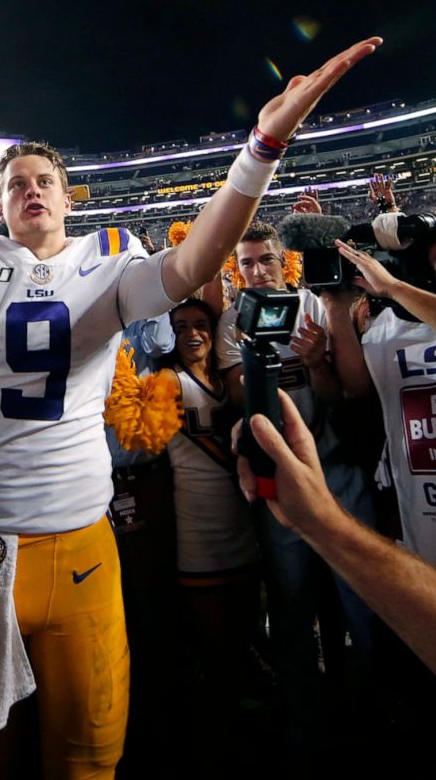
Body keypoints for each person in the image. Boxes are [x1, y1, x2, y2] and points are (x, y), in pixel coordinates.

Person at [0, 3, 379, 778]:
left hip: (82, 546)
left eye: (44, 181)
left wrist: (261, 150)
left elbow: (194, 263)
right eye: (14, 184)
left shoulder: (108, 257)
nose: (30, 191)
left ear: (70, 197)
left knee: (87, 760)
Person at [216, 220, 377, 747]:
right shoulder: (231, 320)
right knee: (291, 599)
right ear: (235, 270)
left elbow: (342, 398)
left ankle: (376, 706)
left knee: (361, 593)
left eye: (265, 260)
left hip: (337, 468)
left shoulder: (315, 305)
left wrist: (315, 363)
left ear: (283, 261)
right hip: (280, 479)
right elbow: (240, 398)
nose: (256, 271)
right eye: (246, 263)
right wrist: (257, 361)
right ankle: (303, 711)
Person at [236, 393, 436, 711]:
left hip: (348, 467)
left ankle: (384, 701)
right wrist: (325, 525)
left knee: (361, 615)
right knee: (301, 606)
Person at [327, 194, 436, 583]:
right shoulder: (391, 324)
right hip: (429, 532)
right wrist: (336, 309)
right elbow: (358, 387)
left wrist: (394, 288)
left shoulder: (397, 296)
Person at [160, 299, 258, 701]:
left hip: (240, 517)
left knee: (247, 624)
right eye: (180, 327)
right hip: (196, 525)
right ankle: (219, 709)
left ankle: (247, 697)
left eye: (200, 325)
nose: (192, 334)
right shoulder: (168, 380)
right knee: (212, 636)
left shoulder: (229, 380)